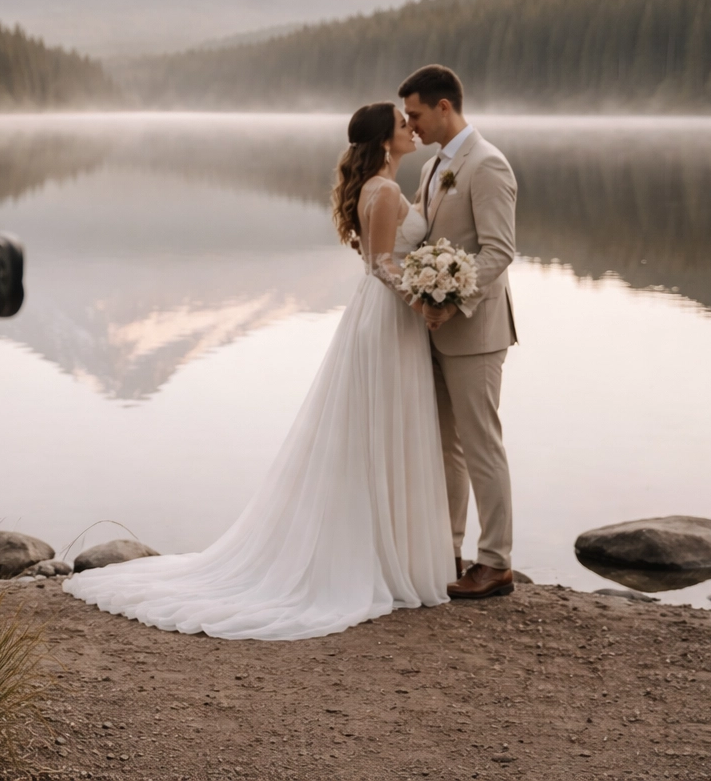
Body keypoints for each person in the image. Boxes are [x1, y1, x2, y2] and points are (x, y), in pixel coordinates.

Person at [63, 101, 455, 638]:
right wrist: (422, 297)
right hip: (388, 319)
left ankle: (382, 551)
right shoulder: (384, 192)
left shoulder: (380, 188)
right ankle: (374, 559)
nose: (411, 129)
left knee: (373, 434)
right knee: (378, 431)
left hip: (380, 319)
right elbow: (383, 263)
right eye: (402, 124)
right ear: (384, 142)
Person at [399, 64, 519, 599]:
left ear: (444, 107)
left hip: (475, 331)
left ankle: (495, 563)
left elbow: (499, 250)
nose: (411, 124)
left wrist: (453, 300)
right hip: (436, 328)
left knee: (480, 445)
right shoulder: (433, 167)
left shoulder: (487, 165)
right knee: (446, 447)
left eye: (416, 114)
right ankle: (447, 550)